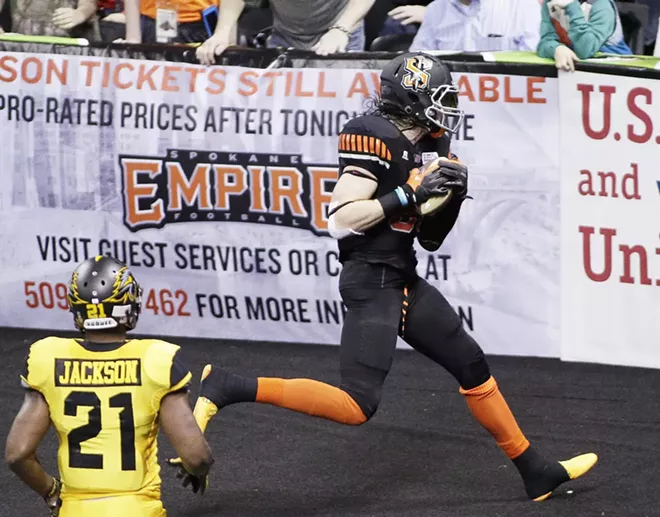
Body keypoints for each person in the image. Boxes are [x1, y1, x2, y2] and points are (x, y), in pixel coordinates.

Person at [181, 52, 598, 502]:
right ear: (412, 97)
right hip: (370, 281)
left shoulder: (432, 145)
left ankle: (535, 470)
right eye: (437, 96)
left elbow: (432, 239)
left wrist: (450, 198)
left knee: (471, 364)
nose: (447, 106)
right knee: (358, 405)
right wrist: (409, 192)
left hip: (403, 277)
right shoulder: (372, 136)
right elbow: (340, 219)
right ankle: (228, 384)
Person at [5, 256, 213, 517]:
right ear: (129, 304)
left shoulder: (48, 358)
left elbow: (17, 454)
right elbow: (197, 456)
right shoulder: (156, 358)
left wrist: (52, 492)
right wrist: (199, 470)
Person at [196, 0, 375, 65]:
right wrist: (222, 33)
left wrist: (341, 28)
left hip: (340, 37)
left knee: (341, 114)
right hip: (284, 38)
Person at [409, 0, 541, 52]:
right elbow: (416, 62)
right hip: (447, 103)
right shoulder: (436, 9)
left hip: (506, 104)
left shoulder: (524, 6)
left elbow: (536, 69)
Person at [537, 0, 631, 72]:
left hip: (615, 72)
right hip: (575, 73)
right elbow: (544, 42)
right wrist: (556, 48)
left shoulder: (602, 4)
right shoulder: (550, 3)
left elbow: (585, 50)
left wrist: (573, 7)